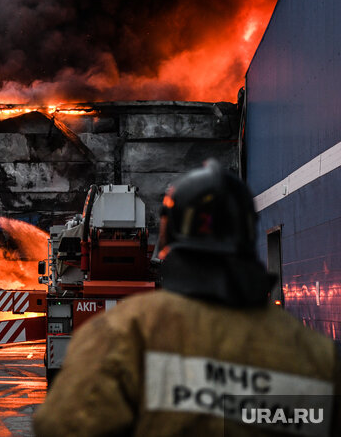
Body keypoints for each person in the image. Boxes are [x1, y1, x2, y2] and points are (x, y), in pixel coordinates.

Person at [34, 160, 341, 436]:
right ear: (248, 232)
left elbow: (62, 425)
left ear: (171, 233)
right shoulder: (314, 355)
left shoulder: (123, 334)